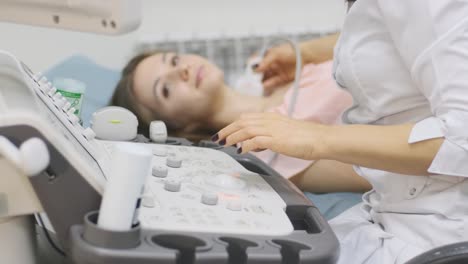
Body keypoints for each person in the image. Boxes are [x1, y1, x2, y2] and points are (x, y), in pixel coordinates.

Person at [214, 0, 468, 263]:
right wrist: (308, 52)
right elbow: (404, 27)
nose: (181, 71)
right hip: (390, 214)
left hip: (438, 233)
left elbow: (462, 140)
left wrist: (317, 137)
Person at [110, 47, 370, 193]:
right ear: (180, 128)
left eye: (174, 60)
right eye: (165, 89)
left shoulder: (278, 70)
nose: (182, 70)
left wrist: (307, 51)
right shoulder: (269, 152)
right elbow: (376, 174)